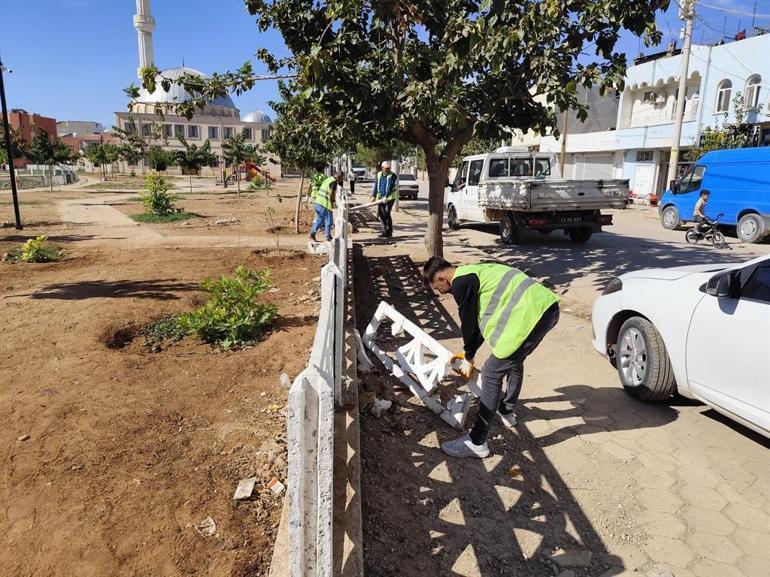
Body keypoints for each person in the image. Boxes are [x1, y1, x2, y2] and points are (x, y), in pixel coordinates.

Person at [422, 257, 560, 458]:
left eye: (438, 288)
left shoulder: (461, 283)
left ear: (442, 279)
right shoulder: (473, 270)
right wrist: (471, 352)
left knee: (491, 373)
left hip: (532, 315)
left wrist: (468, 356)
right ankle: (507, 411)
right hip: (546, 308)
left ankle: (477, 442)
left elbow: (468, 324)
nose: (441, 293)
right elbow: (477, 324)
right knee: (513, 361)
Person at [310, 171, 343, 242]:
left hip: (317, 202)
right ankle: (328, 238)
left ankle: (312, 234)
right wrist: (333, 202)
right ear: (339, 177)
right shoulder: (334, 182)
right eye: (342, 178)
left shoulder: (328, 179)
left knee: (319, 220)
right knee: (329, 221)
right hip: (325, 204)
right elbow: (332, 194)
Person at [371, 161, 398, 238]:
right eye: (386, 168)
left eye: (389, 168)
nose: (387, 170)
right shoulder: (378, 174)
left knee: (386, 213)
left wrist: (386, 196)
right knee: (381, 214)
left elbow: (390, 186)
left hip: (390, 198)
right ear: (382, 168)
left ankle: (389, 231)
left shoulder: (393, 175)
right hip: (380, 197)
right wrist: (373, 195)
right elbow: (376, 185)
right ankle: (384, 230)